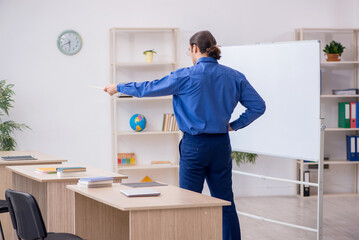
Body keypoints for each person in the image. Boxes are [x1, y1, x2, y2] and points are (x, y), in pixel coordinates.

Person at [104, 30, 266, 240]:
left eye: (189, 50)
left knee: (188, 203)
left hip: (194, 146)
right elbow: (258, 106)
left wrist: (118, 87)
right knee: (225, 201)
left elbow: (149, 88)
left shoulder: (186, 75)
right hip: (220, 146)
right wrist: (234, 126)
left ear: (194, 49)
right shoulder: (234, 76)